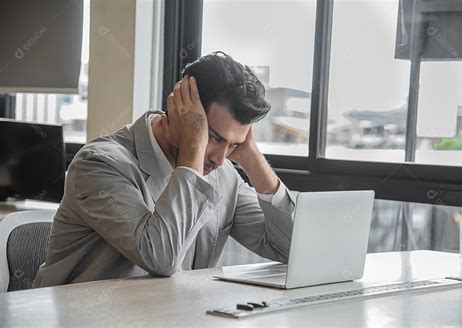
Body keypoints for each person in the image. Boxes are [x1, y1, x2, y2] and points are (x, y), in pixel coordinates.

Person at [33, 51, 295, 287]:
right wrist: (194, 143)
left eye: (234, 144)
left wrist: (251, 157)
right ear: (180, 109)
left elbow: (291, 250)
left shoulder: (222, 175)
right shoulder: (99, 165)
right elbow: (160, 257)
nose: (221, 158)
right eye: (214, 137)